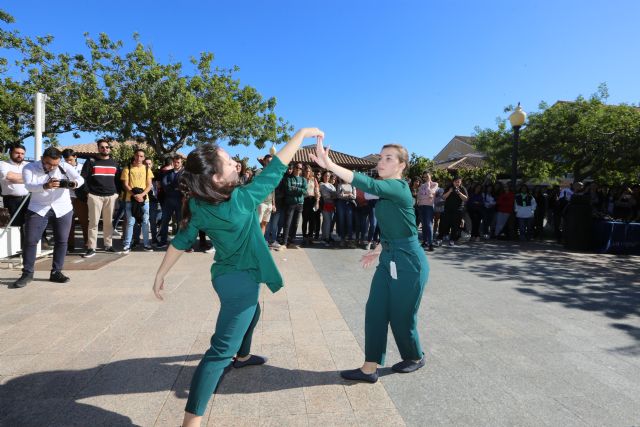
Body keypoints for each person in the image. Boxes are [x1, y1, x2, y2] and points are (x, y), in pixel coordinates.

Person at [153, 127, 324, 427]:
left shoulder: (197, 203)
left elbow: (181, 241)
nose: (236, 164)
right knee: (219, 353)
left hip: (224, 276)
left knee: (253, 312)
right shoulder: (243, 199)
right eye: (229, 161)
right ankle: (190, 422)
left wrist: (160, 274)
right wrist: (301, 134)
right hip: (240, 282)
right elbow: (277, 166)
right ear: (217, 179)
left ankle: (243, 357)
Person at [310, 140, 429, 383]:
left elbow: (366, 183)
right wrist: (378, 249)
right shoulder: (386, 192)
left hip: (409, 263)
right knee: (374, 310)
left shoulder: (399, 187)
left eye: (388, 158)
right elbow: (396, 228)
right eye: (380, 157)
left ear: (402, 165)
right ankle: (369, 368)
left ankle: (415, 356)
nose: (381, 162)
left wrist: (329, 164)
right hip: (388, 259)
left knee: (402, 317)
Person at [12, 147, 84, 288]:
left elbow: (80, 179)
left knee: (62, 241)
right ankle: (27, 273)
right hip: (38, 208)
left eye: (55, 164)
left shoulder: (64, 166)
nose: (52, 167)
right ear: (42, 158)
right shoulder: (30, 167)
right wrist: (45, 185)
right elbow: (29, 186)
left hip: (63, 208)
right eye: (49, 164)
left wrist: (74, 184)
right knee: (31, 240)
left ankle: (56, 272)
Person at [81, 141, 119, 257]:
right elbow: (83, 178)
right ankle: (91, 248)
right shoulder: (91, 162)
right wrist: (88, 193)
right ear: (98, 149)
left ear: (110, 149)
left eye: (107, 147)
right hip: (95, 196)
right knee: (93, 223)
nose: (105, 149)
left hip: (110, 196)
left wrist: (117, 193)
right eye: (102, 147)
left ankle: (108, 245)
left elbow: (118, 180)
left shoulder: (115, 163)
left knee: (109, 223)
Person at [121, 149, 154, 253]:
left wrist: (142, 195)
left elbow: (149, 185)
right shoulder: (127, 168)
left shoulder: (147, 169)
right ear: (134, 156)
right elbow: (125, 185)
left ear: (144, 158)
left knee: (145, 222)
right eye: (137, 156)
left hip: (144, 200)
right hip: (130, 199)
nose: (139, 158)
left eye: (141, 156)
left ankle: (146, 244)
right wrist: (135, 195)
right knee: (130, 222)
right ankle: (127, 245)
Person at [0, 145, 29, 250]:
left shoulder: (28, 165)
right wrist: (28, 178)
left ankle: (32, 247)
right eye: (17, 153)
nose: (20, 155)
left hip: (29, 198)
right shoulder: (3, 164)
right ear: (11, 153)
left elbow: (37, 178)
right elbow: (10, 177)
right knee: (16, 225)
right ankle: (17, 248)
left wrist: (18, 177)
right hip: (12, 200)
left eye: (22, 153)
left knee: (32, 223)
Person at [157, 154, 184, 248]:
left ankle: (182, 242)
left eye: (178, 162)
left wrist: (175, 187)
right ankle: (163, 241)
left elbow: (184, 186)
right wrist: (175, 187)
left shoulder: (185, 173)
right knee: (165, 221)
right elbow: (164, 185)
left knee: (181, 222)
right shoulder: (167, 173)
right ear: (172, 162)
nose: (176, 164)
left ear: (181, 162)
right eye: (175, 162)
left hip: (181, 201)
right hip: (168, 201)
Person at [282, 163, 307, 249]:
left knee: (295, 224)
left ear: (301, 169)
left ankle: (291, 241)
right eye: (296, 167)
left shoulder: (304, 180)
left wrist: (295, 188)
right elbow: (288, 190)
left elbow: (305, 191)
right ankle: (284, 242)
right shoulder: (288, 178)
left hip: (300, 204)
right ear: (294, 168)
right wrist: (300, 190)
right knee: (287, 223)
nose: (298, 169)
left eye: (300, 168)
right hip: (290, 203)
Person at [440, 176, 468, 246]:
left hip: (458, 209)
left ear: (461, 182)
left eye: (459, 182)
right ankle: (441, 237)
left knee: (455, 225)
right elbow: (443, 197)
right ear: (453, 182)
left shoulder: (462, 188)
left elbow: (466, 199)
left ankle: (452, 239)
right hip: (448, 209)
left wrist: (459, 193)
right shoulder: (449, 187)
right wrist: (450, 191)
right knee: (445, 223)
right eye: (456, 182)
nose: (457, 183)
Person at [416, 172, 438, 251]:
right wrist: (426, 196)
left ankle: (430, 243)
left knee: (429, 225)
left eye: (427, 176)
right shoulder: (422, 185)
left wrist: (428, 184)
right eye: (424, 177)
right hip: (421, 206)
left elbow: (430, 193)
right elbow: (419, 196)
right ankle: (425, 241)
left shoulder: (435, 184)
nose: (426, 178)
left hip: (429, 207)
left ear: (430, 176)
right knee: (424, 225)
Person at [319, 171, 337, 246]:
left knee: (328, 222)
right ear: (323, 176)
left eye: (329, 176)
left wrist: (332, 195)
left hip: (332, 205)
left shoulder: (331, 185)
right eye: (326, 175)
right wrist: (332, 195)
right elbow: (325, 194)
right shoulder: (321, 184)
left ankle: (325, 236)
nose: (327, 177)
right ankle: (326, 238)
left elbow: (335, 195)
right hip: (325, 205)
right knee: (328, 221)